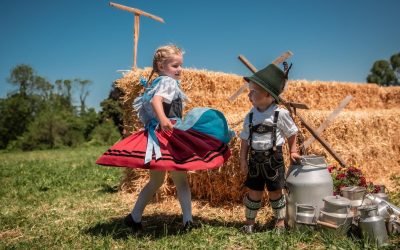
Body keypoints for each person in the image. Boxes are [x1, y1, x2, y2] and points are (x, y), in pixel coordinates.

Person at [96, 44, 232, 233]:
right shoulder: (167, 82)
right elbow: (156, 101)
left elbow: (151, 103)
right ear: (161, 65)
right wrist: (163, 119)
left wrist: (159, 120)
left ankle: (134, 217)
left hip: (159, 135)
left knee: (156, 182)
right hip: (168, 135)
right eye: (175, 66)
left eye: (181, 65)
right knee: (181, 180)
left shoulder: (156, 82)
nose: (180, 69)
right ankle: (188, 221)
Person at [239, 63, 301, 233]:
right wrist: (243, 159)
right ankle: (249, 224)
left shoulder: (280, 114)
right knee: (253, 193)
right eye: (249, 90)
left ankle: (280, 224)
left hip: (274, 160)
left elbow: (291, 132)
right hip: (254, 160)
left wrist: (293, 150)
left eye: (254, 91)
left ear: (268, 94)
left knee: (275, 193)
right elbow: (244, 139)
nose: (249, 94)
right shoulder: (250, 115)